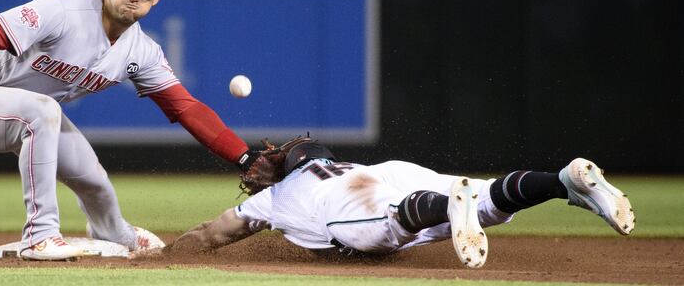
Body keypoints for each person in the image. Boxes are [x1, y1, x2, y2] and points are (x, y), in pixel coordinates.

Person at [0, 0, 264, 261]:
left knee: (92, 179)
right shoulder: (63, 10)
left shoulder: (143, 51)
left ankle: (115, 233)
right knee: (43, 111)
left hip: (33, 114)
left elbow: (186, 108)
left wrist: (244, 157)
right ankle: (39, 237)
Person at [164, 138, 635, 269]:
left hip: (347, 203)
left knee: (391, 221)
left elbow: (213, 234)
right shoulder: (343, 164)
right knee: (489, 196)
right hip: (389, 173)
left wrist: (170, 253)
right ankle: (561, 181)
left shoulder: (279, 194)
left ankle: (451, 205)